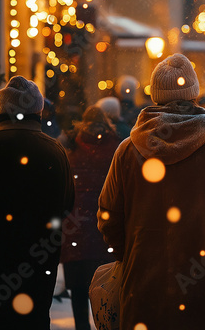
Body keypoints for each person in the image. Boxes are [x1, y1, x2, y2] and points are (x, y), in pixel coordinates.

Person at [97, 53, 205, 330]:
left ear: (156, 95)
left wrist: (130, 253)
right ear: (194, 94)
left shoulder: (128, 150)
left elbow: (109, 213)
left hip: (145, 281)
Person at [0, 76, 75, 329]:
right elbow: (67, 204)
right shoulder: (54, 151)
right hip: (39, 263)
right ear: (38, 111)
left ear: (0, 110)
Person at [60, 106, 122, 330]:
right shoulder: (116, 147)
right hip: (103, 226)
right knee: (107, 288)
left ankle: (81, 327)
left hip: (75, 228)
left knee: (78, 289)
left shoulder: (70, 146)